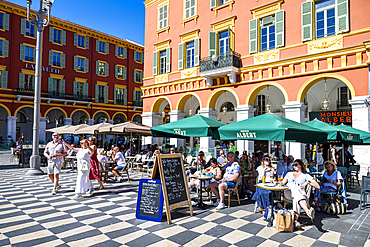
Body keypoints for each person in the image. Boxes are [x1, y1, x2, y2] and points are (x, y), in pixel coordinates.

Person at [280, 159, 320, 228]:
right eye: (293, 165)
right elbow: (282, 183)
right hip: (289, 192)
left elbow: (317, 186)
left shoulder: (305, 175)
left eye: (296, 165)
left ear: (301, 166)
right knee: (295, 190)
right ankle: (308, 211)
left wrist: (307, 182)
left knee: (296, 198)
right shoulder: (289, 174)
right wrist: (277, 182)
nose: (294, 166)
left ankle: (296, 221)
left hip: (300, 194)